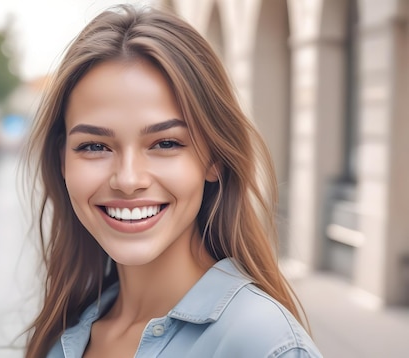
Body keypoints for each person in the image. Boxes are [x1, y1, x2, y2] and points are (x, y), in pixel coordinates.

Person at [22, 5, 322, 358]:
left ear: (213, 158)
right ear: (62, 161)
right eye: (94, 146)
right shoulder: (65, 338)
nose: (128, 180)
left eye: (166, 143)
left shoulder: (266, 345)